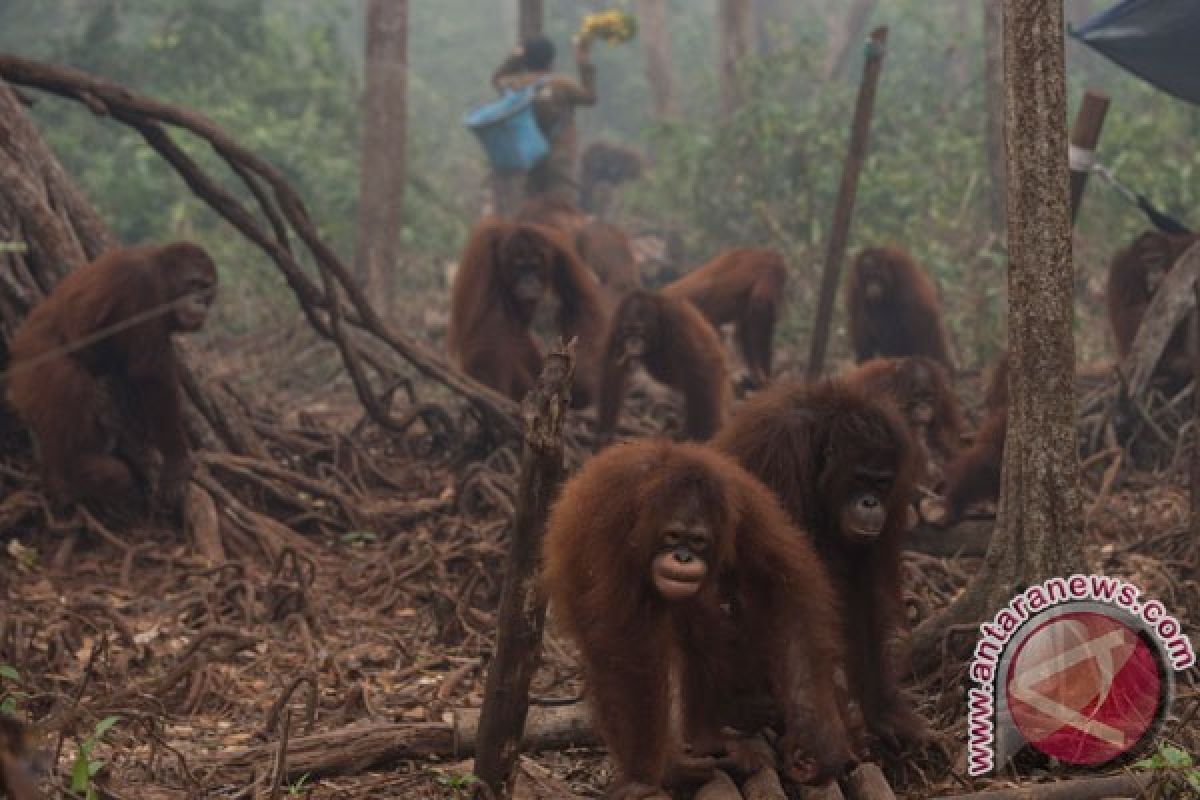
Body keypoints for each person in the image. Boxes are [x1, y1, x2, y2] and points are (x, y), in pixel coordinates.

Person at [492, 35, 597, 206]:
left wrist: (514, 58)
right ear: (551, 60)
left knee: (531, 206)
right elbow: (590, 97)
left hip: (529, 158)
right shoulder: (562, 84)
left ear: (525, 60)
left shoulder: (514, 85)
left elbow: (497, 79)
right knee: (565, 208)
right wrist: (583, 61)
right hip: (560, 160)